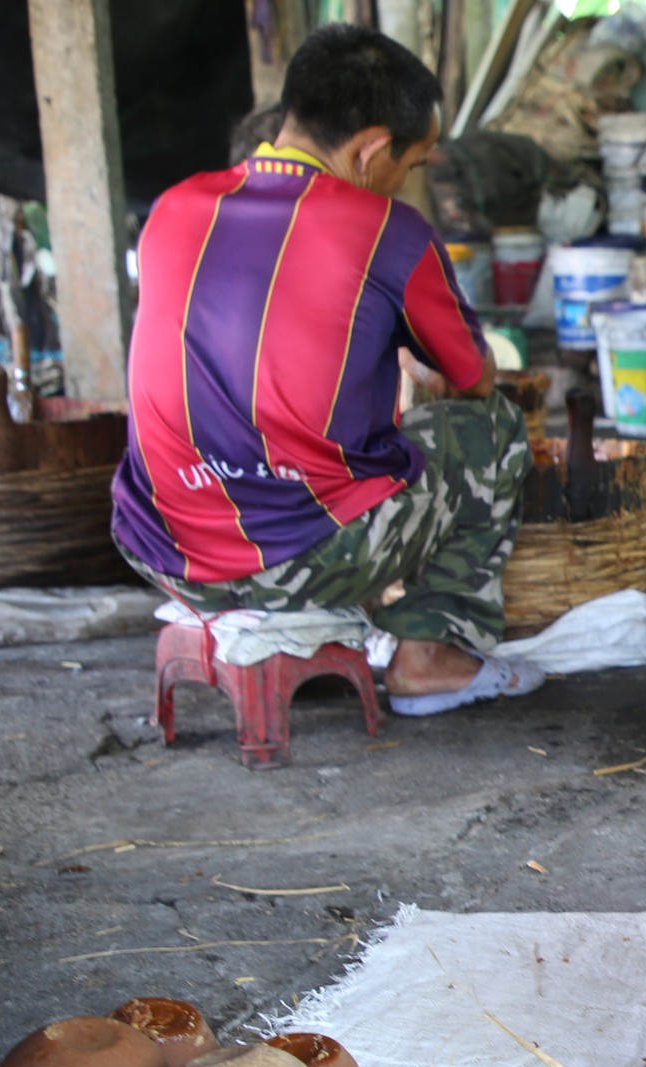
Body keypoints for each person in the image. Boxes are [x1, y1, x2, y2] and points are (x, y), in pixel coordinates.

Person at [112, 24, 541, 717]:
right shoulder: (389, 231)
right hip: (304, 563)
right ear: (372, 148)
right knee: (491, 430)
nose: (408, 181)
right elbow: (474, 380)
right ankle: (430, 652)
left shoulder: (173, 208)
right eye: (415, 163)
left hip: (164, 551)